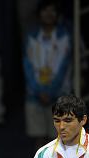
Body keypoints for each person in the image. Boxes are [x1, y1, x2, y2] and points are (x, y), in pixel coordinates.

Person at [23, 0, 72, 149]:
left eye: (53, 11)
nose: (49, 14)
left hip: (59, 94)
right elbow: (28, 66)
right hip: (34, 94)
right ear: (39, 14)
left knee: (59, 136)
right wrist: (38, 90)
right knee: (39, 138)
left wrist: (50, 92)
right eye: (45, 10)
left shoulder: (65, 36)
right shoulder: (31, 36)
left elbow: (64, 67)